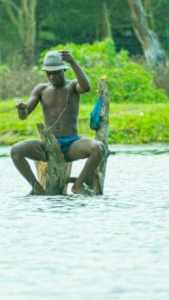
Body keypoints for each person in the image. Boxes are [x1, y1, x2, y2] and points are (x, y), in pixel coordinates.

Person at [11, 50, 105, 195]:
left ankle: (78, 186)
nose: (52, 76)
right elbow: (24, 115)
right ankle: (37, 188)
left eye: (56, 72)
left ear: (63, 70)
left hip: (71, 145)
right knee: (16, 150)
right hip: (48, 146)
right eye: (49, 73)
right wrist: (21, 108)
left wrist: (73, 62)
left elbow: (86, 87)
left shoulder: (72, 86)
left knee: (97, 148)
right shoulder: (41, 89)